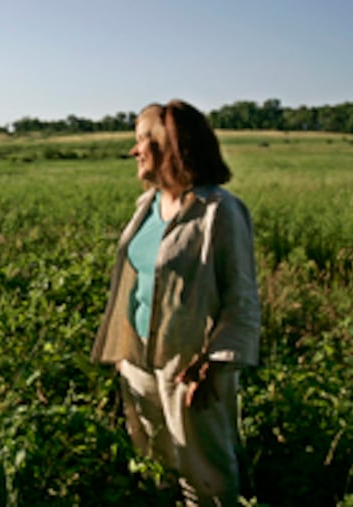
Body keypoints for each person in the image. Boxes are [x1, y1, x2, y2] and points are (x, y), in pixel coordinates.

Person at [91, 99, 260, 506]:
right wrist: (123, 354)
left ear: (170, 145)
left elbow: (242, 298)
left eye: (141, 140)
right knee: (156, 467)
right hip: (136, 363)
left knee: (207, 479)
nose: (133, 151)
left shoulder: (218, 211)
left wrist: (215, 364)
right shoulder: (146, 207)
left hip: (189, 369)